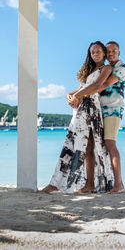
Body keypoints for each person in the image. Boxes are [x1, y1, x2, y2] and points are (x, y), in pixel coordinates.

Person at [42, 41, 114, 194]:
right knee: (75, 145)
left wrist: (78, 96)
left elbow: (96, 86)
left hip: (92, 109)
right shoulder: (90, 70)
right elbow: (81, 88)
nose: (95, 55)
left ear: (104, 53)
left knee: (91, 146)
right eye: (92, 52)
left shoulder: (106, 68)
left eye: (98, 52)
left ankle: (88, 184)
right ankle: (61, 183)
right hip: (81, 108)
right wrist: (69, 96)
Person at [72, 41, 125, 194]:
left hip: (112, 110)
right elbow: (86, 86)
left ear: (119, 51)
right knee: (94, 146)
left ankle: (119, 185)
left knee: (110, 144)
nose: (111, 54)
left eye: (114, 51)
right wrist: (73, 95)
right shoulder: (102, 68)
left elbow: (101, 86)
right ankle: (94, 184)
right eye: (108, 51)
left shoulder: (121, 69)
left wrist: (81, 95)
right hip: (98, 111)